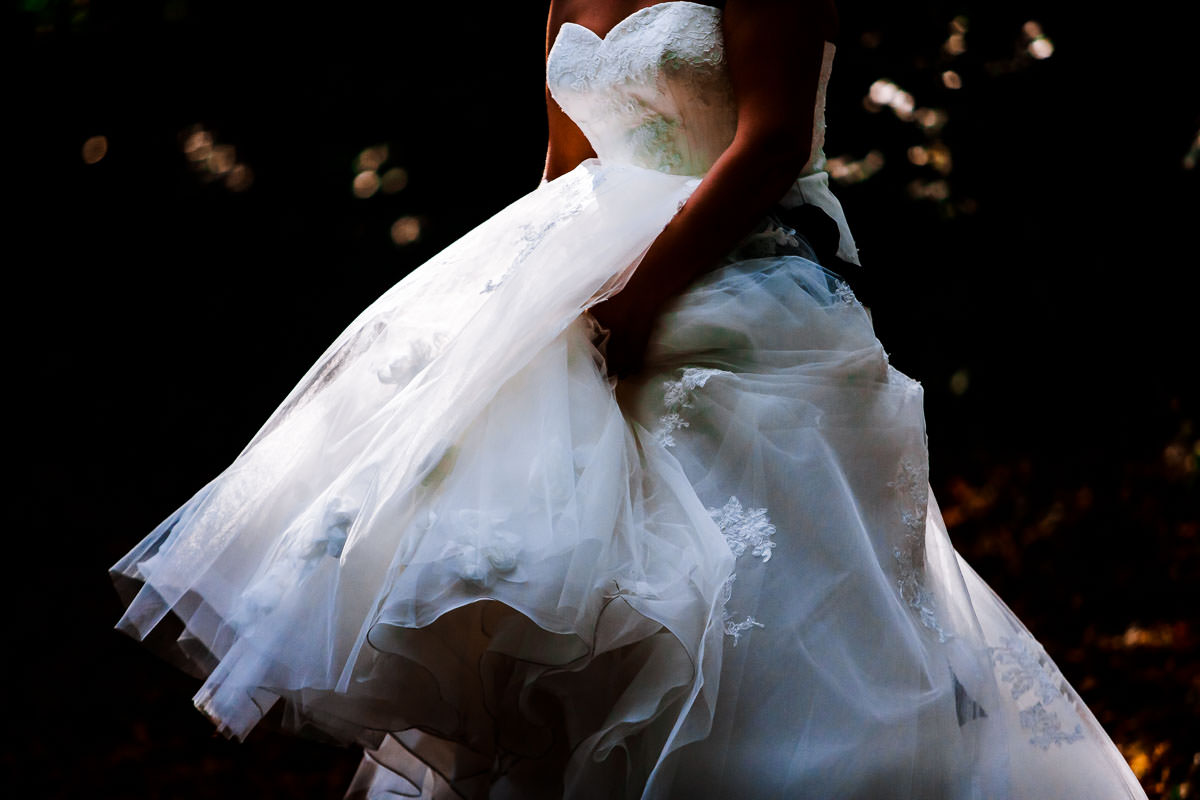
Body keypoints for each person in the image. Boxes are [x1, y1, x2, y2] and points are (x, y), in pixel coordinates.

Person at [111, 1, 1149, 798]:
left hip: (743, 281)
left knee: (758, 610)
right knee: (541, 583)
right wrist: (527, 310)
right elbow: (566, 163)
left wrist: (635, 299)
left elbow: (771, 142)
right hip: (588, 278)